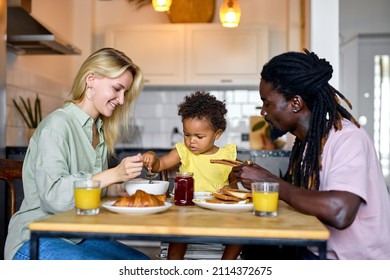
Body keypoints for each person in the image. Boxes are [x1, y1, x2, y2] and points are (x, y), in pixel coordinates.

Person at [233, 49, 390, 260]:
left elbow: (340, 212)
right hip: (317, 250)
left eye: (267, 103)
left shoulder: (348, 138)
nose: (263, 112)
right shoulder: (308, 143)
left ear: (295, 103)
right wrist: (258, 178)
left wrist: (269, 182)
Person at [4, 48, 150, 260]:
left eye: (125, 93)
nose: (121, 100)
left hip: (76, 236)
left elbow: (87, 195)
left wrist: (119, 189)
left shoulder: (98, 130)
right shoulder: (58, 125)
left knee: (143, 265)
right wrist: (113, 175)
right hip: (35, 239)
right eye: (117, 89)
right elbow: (53, 197)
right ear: (91, 79)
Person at [142, 91, 242, 260]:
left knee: (241, 231)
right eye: (187, 134)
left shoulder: (227, 155)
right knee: (179, 235)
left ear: (217, 134)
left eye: (199, 136)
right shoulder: (183, 151)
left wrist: (229, 189)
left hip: (218, 210)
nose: (191, 141)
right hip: (187, 210)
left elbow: (235, 181)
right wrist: (152, 157)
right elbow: (161, 165)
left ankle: (226, 266)